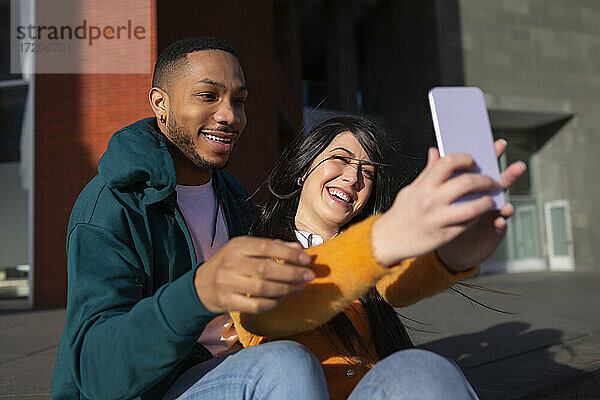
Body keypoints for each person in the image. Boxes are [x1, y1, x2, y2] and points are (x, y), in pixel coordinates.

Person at [51, 36, 524, 400]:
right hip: (164, 388)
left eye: (239, 100)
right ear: (160, 104)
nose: (229, 115)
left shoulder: (232, 198)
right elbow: (94, 371)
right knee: (286, 364)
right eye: (208, 96)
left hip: (247, 372)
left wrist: (452, 252)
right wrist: (198, 291)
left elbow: (380, 286)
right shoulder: (109, 209)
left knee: (428, 370)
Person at [229, 115, 519, 399]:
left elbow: (400, 280)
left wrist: (452, 256)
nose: (353, 178)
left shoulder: (369, 258)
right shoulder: (255, 250)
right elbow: (263, 314)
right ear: (303, 168)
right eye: (340, 159)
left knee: (427, 369)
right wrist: (381, 240)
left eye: (367, 172)